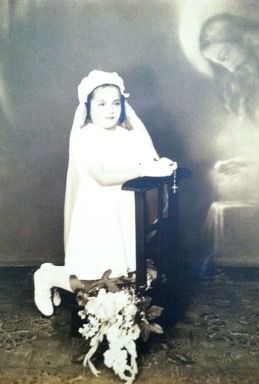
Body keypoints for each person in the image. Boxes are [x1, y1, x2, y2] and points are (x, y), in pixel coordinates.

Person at [34, 70, 177, 316]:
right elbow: (102, 177)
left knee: (122, 278)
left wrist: (161, 165)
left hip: (123, 211)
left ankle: (55, 276)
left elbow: (146, 159)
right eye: (101, 104)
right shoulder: (86, 137)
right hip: (97, 214)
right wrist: (145, 169)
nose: (110, 110)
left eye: (116, 103)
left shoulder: (125, 135)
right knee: (96, 278)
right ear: (88, 106)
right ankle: (48, 276)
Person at [199, 13, 259, 120]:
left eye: (225, 56)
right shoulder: (247, 81)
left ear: (239, 38)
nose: (231, 69)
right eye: (220, 64)